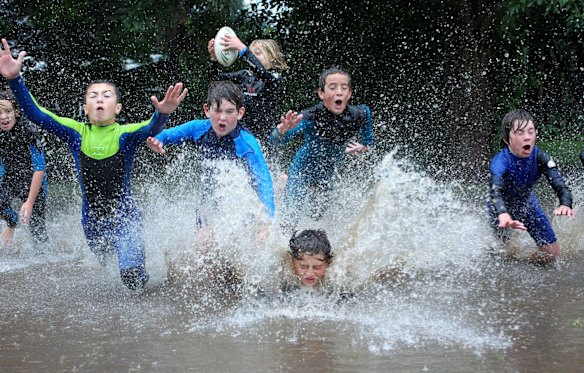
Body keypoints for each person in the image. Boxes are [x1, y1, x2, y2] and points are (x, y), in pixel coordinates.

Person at [0, 38, 188, 289]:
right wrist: (14, 79)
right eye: (93, 96)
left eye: (106, 95)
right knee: (109, 269)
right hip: (92, 221)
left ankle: (147, 288)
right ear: (85, 108)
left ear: (117, 107)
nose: (100, 99)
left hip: (125, 218)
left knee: (131, 277)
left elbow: (151, 127)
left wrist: (162, 112)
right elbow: (37, 114)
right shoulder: (75, 133)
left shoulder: (126, 134)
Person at [146, 80, 274, 245]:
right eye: (217, 110)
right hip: (209, 203)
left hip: (241, 205)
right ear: (207, 110)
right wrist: (158, 141)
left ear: (240, 113)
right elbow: (167, 135)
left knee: (242, 246)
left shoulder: (247, 144)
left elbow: (264, 181)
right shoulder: (198, 128)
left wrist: (267, 221)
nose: (222, 117)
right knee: (203, 245)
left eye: (229, 112)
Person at [271, 66, 373, 229]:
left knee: (317, 216)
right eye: (332, 87)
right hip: (301, 170)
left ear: (349, 94)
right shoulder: (310, 116)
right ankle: (287, 183)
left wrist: (366, 144)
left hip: (327, 173)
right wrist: (281, 130)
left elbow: (367, 115)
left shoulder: (357, 113)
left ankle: (286, 183)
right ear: (321, 93)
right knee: (291, 217)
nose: (339, 92)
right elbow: (275, 142)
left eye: (344, 88)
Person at [488, 109, 575, 265]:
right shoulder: (500, 162)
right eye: (520, 133)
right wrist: (502, 214)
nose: (527, 137)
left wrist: (565, 203)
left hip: (528, 205)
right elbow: (495, 192)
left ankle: (523, 261)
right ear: (507, 138)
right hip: (500, 210)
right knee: (502, 253)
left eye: (531, 131)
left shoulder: (541, 158)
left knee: (552, 253)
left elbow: (559, 184)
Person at [208, 33, 287, 146]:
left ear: (272, 57)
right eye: (251, 54)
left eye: (257, 54)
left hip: (262, 139)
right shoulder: (244, 75)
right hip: (239, 133)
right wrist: (214, 59)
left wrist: (243, 49)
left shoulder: (275, 78)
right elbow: (214, 80)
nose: (252, 57)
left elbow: (261, 72)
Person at [0, 90, 48, 249]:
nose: (3, 117)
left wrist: (29, 202)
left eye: (7, 111)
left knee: (37, 231)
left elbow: (39, 168)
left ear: (17, 112)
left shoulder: (29, 131)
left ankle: (46, 257)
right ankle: (12, 223)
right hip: (10, 177)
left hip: (35, 183)